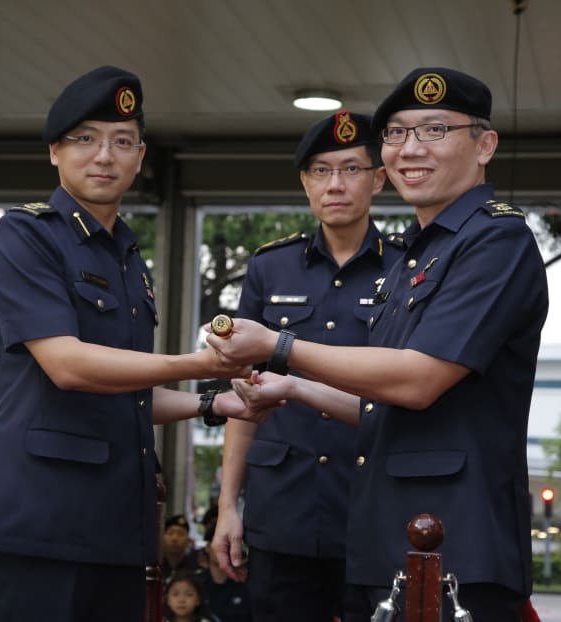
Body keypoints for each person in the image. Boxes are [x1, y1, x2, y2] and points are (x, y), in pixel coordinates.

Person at [207, 67, 549, 622]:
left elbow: (418, 381)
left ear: (484, 145)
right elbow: (380, 408)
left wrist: (279, 345)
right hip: (391, 541)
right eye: (396, 134)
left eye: (434, 130)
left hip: (453, 544)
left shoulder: (495, 239)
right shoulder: (420, 254)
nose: (411, 148)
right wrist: (294, 387)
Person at [0, 65, 255, 622]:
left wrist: (215, 402)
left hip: (118, 524)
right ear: (54, 152)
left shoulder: (126, 257)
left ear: (140, 158)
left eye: (122, 142)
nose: (104, 155)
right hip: (42, 526)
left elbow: (130, 393)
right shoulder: (25, 235)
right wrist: (199, 363)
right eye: (85, 139)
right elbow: (68, 367)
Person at [212, 109, 403, 622]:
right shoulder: (270, 266)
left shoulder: (409, 268)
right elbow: (243, 396)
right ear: (304, 181)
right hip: (283, 511)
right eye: (321, 171)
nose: (335, 184)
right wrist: (228, 504)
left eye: (351, 169)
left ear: (379, 178)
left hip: (373, 508)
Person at [200, 523, 251, 622]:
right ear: (207, 547)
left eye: (228, 544)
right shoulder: (196, 583)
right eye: (217, 543)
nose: (223, 549)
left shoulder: (247, 583)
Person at [162, 514, 202, 581]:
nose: (174, 538)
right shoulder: (156, 567)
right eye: (170, 533)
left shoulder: (195, 569)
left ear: (188, 540)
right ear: (163, 538)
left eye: (180, 534)